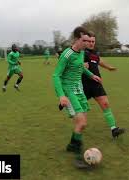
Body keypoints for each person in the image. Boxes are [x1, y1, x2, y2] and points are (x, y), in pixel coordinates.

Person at [52, 27, 101, 169]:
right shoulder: (67, 54)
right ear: (76, 39)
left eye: (88, 40)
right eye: (84, 40)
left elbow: (80, 67)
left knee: (81, 123)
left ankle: (72, 145)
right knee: (82, 123)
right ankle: (80, 157)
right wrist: (61, 95)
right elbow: (56, 75)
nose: (87, 43)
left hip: (80, 91)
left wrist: (92, 75)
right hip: (69, 91)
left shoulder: (82, 53)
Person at [82, 31, 125, 138]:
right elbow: (70, 63)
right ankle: (78, 132)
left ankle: (114, 129)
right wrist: (81, 65)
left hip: (96, 84)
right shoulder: (81, 53)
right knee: (82, 113)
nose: (91, 43)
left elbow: (99, 61)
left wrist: (109, 67)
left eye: (93, 41)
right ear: (85, 41)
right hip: (83, 86)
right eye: (89, 41)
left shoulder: (95, 53)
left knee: (105, 104)